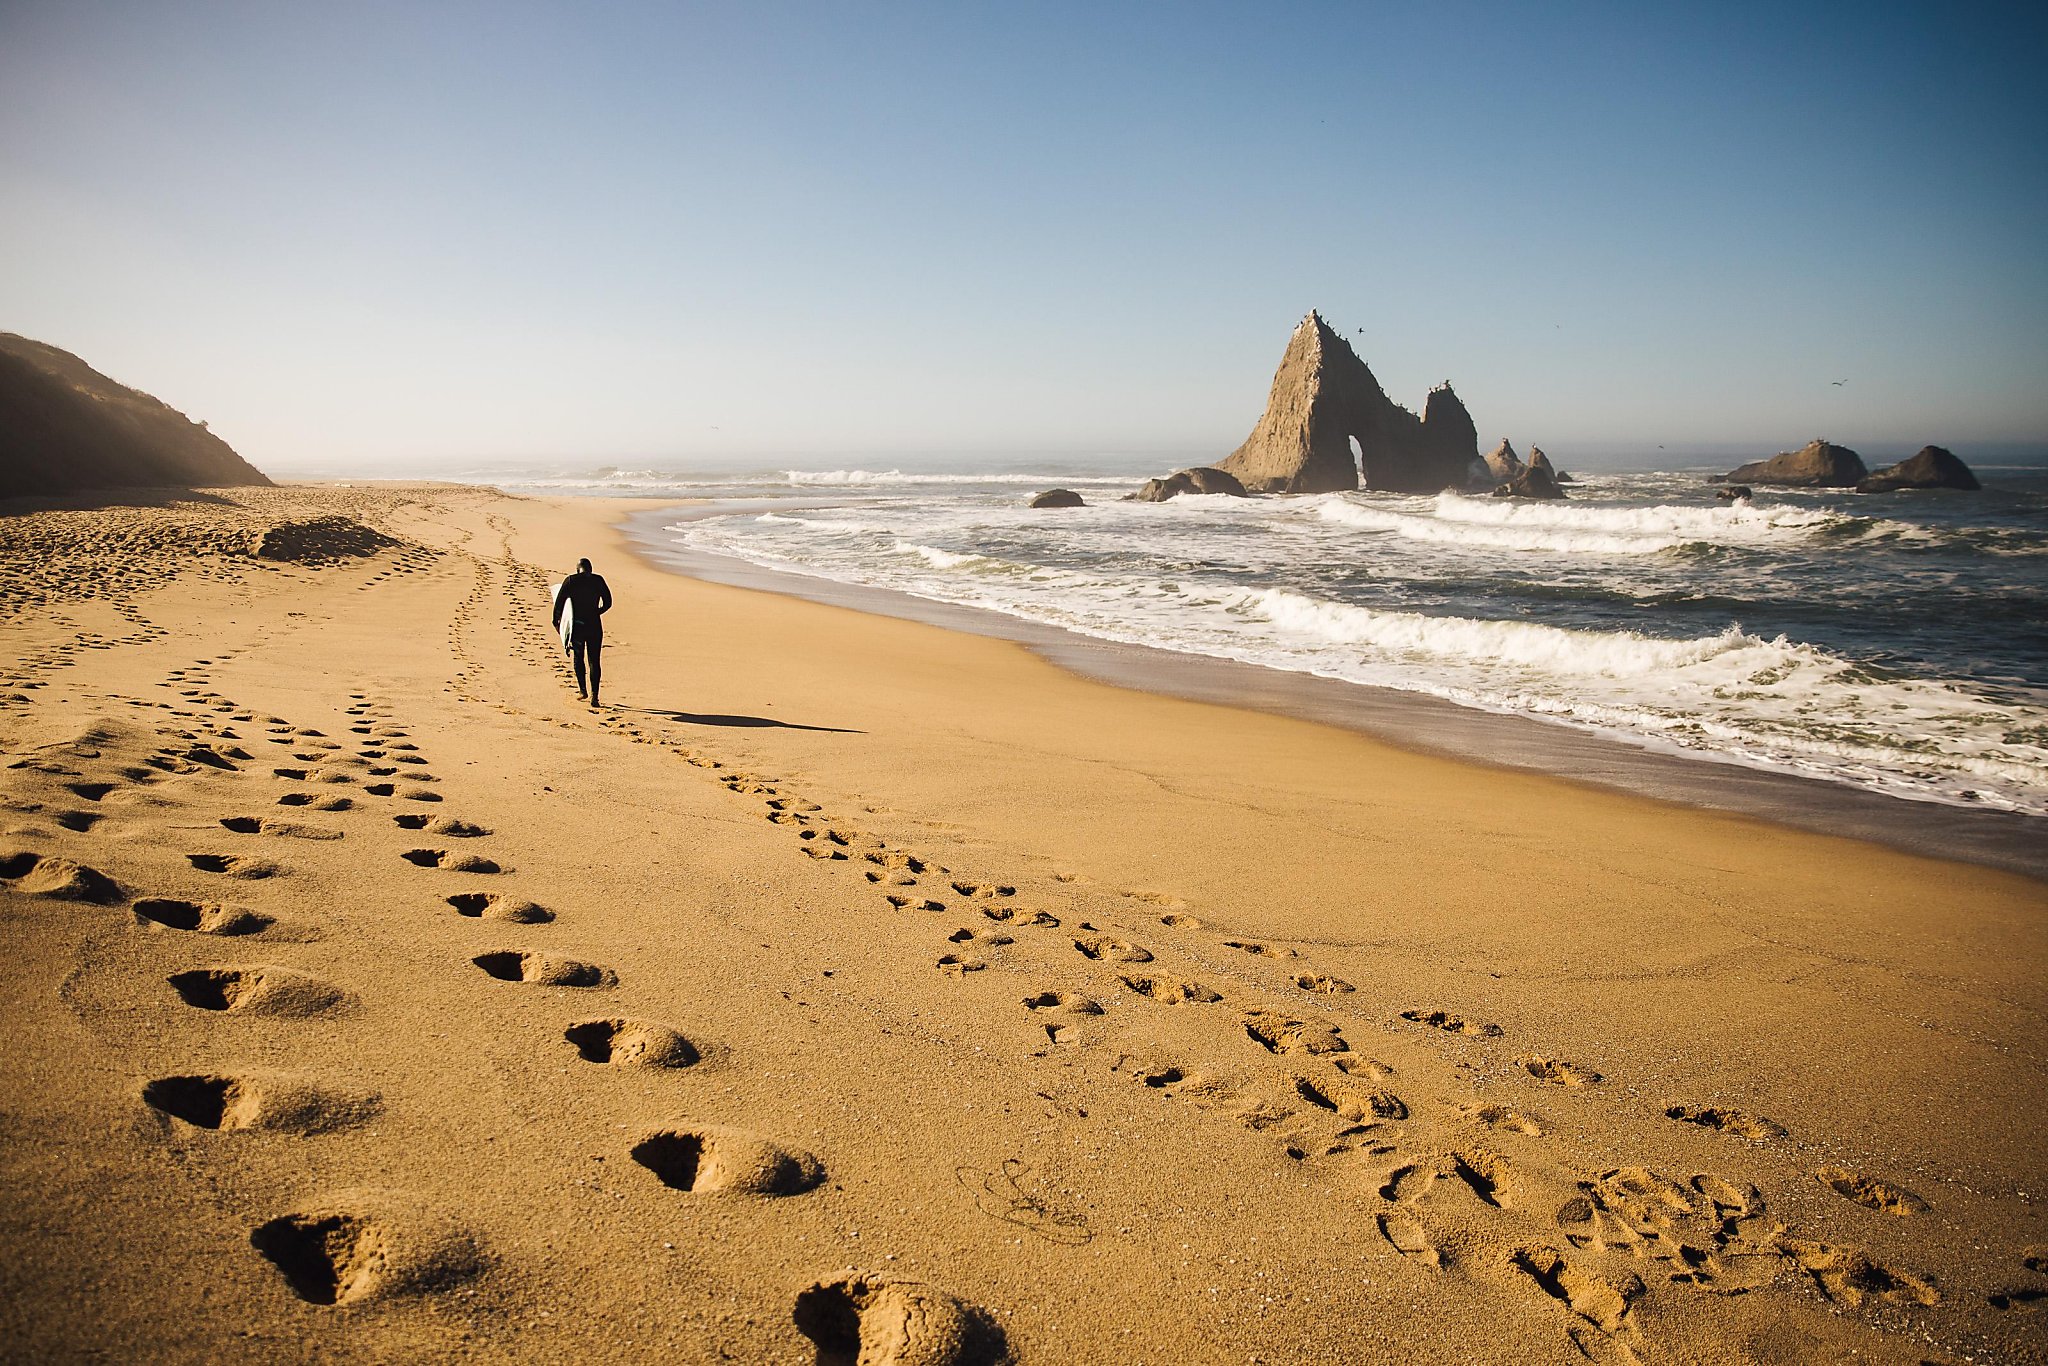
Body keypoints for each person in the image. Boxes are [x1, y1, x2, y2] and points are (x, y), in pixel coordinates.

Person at [551, 558, 612, 706]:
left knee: (578, 657)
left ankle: (583, 690)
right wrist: (597, 612)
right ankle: (595, 696)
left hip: (577, 626)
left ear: (578, 569)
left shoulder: (571, 581)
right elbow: (608, 602)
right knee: (594, 661)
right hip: (594, 626)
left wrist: (558, 625)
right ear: (590, 569)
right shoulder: (598, 580)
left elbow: (558, 606)